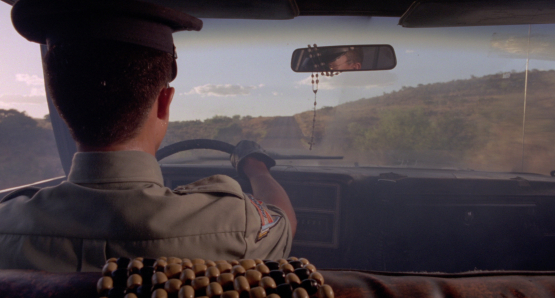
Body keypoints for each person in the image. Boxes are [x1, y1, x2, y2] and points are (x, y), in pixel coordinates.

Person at [0, 0, 296, 272]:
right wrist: (256, 169)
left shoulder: (6, 224)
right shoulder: (237, 223)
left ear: (60, 103)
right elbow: (284, 221)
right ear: (164, 103)